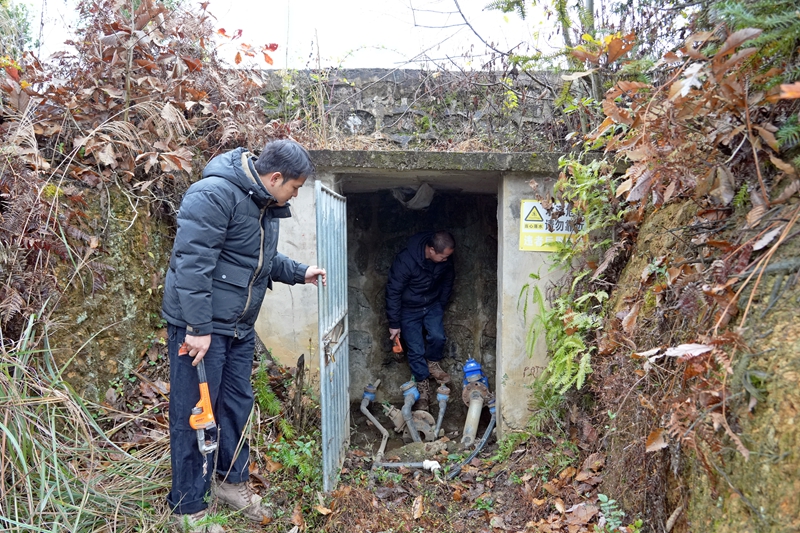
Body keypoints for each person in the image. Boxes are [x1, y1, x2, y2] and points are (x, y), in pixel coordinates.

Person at [161, 139, 326, 533]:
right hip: (202, 329)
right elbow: (192, 265)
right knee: (196, 413)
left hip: (238, 327)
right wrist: (198, 328)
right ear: (275, 177)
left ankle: (228, 482)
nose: (295, 195)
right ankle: (188, 507)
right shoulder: (213, 194)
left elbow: (255, 260)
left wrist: (299, 271)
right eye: (295, 187)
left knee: (236, 406)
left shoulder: (262, 204)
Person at [385, 231, 455, 411]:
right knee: (416, 350)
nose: (446, 260)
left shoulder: (444, 262)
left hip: (432, 305)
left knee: (438, 337)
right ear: (431, 250)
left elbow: (448, 281)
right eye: (443, 256)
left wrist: (440, 304)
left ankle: (433, 363)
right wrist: (394, 323)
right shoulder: (406, 261)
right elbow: (393, 291)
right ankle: (423, 389)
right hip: (409, 309)